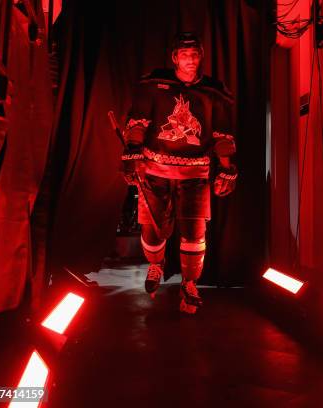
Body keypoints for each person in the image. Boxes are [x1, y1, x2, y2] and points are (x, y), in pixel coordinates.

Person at [120, 32, 237, 314]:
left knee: (195, 232)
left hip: (195, 172)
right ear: (174, 58)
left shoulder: (213, 91)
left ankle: (190, 284)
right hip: (155, 168)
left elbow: (221, 132)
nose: (190, 60)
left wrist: (226, 167)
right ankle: (155, 265)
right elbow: (138, 122)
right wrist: (132, 152)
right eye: (184, 55)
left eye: (194, 54)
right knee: (153, 229)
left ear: (201, 57)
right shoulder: (153, 85)